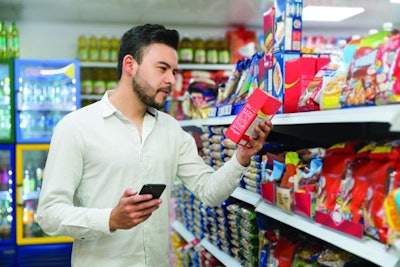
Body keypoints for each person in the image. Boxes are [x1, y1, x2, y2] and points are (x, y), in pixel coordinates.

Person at [37, 24, 273, 267]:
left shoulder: (171, 130)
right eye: (162, 68)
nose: (171, 80)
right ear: (130, 65)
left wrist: (242, 156)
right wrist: (111, 219)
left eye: (173, 71)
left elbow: (209, 191)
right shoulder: (76, 127)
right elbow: (49, 214)